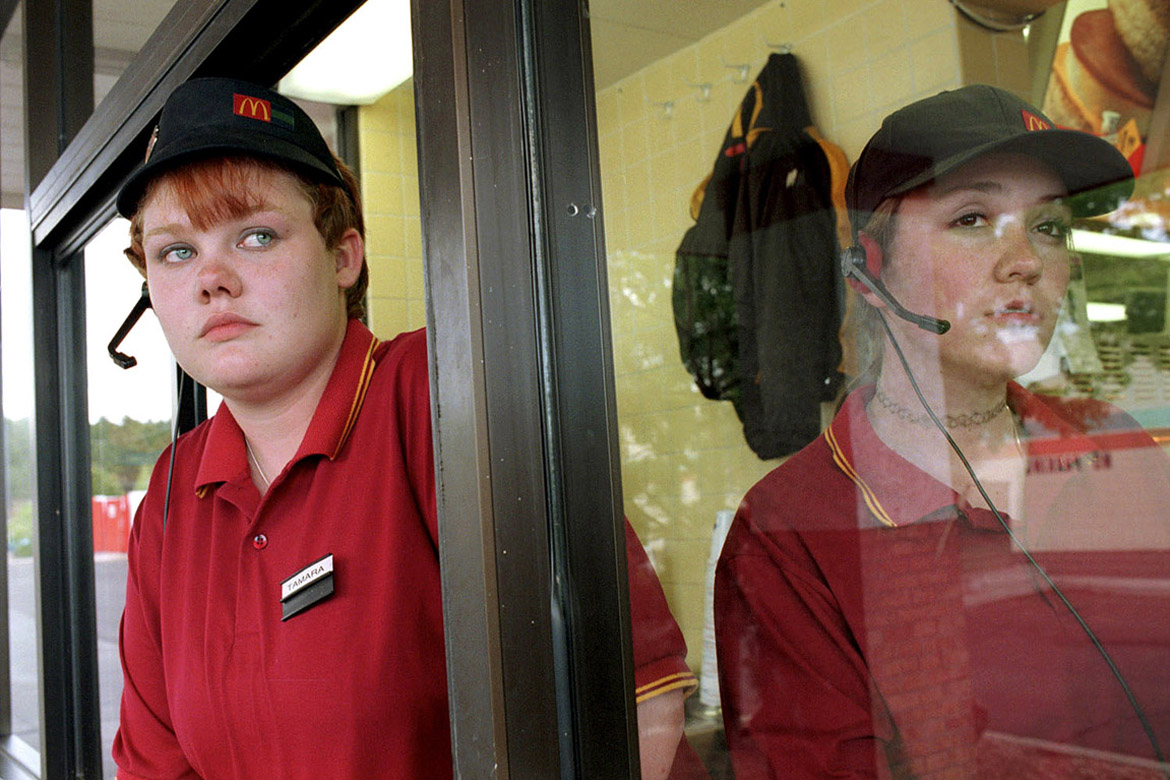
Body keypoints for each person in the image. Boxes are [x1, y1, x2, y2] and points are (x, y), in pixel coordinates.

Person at [112, 76, 700, 779]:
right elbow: (157, 764)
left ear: (343, 257)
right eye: (176, 252)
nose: (212, 279)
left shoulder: (437, 391)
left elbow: (634, 707)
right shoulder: (173, 490)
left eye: (256, 236)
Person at [714, 84, 1170, 779]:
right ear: (868, 268)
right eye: (973, 218)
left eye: (1047, 226)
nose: (1025, 260)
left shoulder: (1122, 448)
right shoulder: (788, 533)